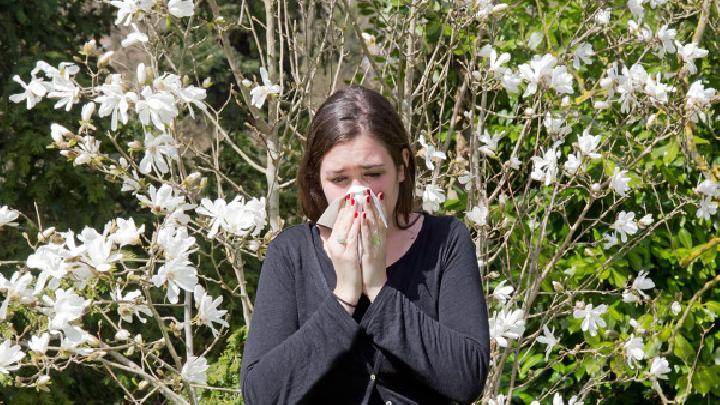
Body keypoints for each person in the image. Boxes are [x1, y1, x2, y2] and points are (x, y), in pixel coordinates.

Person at [240, 86, 490, 404]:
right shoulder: (291, 253)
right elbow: (261, 394)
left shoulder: (446, 242)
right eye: (339, 179)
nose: (360, 193)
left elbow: (467, 378)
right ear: (318, 178)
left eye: (373, 174)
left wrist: (378, 290)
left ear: (401, 167)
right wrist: (344, 296)